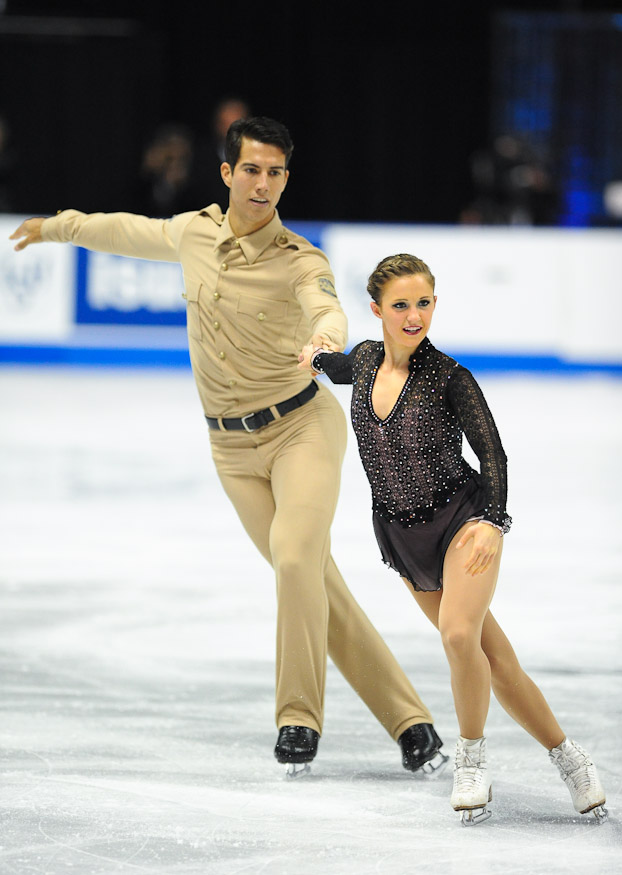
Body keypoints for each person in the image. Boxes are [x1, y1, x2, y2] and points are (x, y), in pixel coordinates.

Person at [10, 118, 447, 779]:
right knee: (313, 582)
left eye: (275, 172)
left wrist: (325, 343)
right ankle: (411, 724)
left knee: (295, 559)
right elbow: (126, 231)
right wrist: (55, 225)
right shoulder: (194, 234)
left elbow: (325, 307)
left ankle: (296, 718)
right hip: (230, 450)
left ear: (285, 179)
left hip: (301, 430)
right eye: (251, 169)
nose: (263, 182)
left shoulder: (301, 259)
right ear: (226, 173)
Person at [298, 253, 608, 822]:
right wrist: (315, 357)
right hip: (402, 533)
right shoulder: (365, 362)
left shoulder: (450, 378)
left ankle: (471, 759)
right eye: (401, 306)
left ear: (434, 304)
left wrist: (492, 520)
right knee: (496, 659)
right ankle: (569, 758)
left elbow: (493, 454)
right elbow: (338, 365)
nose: (414, 315)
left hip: (463, 518)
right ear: (377, 310)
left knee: (459, 636)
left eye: (424, 303)